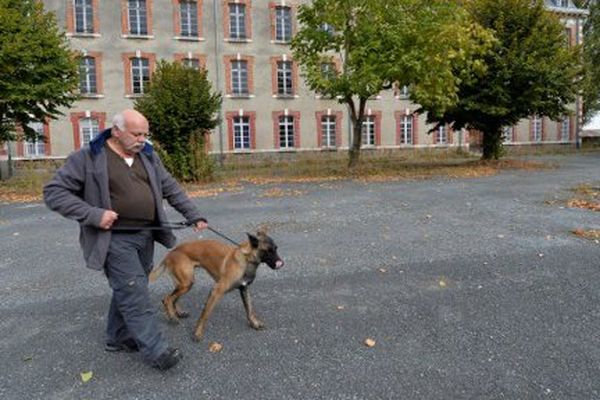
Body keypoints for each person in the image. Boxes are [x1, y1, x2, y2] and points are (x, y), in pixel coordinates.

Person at [43, 109, 208, 371]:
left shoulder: (148, 156)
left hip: (145, 235)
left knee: (130, 286)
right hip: (114, 240)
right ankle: (157, 351)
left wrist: (194, 214)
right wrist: (93, 214)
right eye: (136, 134)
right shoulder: (88, 157)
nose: (142, 139)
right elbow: (54, 192)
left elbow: (170, 188)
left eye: (145, 134)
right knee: (135, 292)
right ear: (116, 131)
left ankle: (118, 337)